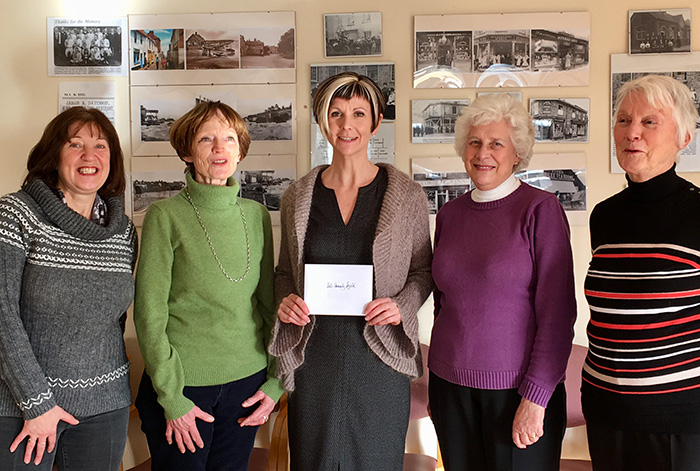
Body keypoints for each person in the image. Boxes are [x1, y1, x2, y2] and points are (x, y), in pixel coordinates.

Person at [269, 72, 433, 471]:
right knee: (314, 461)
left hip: (379, 360)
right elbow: (284, 274)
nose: (347, 125)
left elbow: (424, 271)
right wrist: (285, 301)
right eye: (336, 114)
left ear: (375, 122)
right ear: (323, 122)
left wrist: (401, 306)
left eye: (358, 113)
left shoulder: (406, 195)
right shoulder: (298, 195)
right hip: (315, 359)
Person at [429, 94, 577, 471]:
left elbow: (557, 315)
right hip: (450, 389)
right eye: (475, 142)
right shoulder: (449, 214)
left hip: (517, 396)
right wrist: (438, 380)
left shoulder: (540, 210)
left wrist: (536, 397)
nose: (484, 153)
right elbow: (444, 303)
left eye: (497, 143)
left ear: (517, 154)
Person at [134, 101, 283, 471]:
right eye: (206, 139)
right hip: (184, 386)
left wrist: (276, 381)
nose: (220, 148)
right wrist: (172, 398)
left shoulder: (256, 214)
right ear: (187, 151)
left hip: (247, 384)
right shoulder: (164, 216)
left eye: (229, 139)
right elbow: (149, 314)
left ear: (240, 149)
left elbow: (268, 304)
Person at [0, 107, 137, 470]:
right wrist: (37, 402)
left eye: (100, 146)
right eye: (75, 144)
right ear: (54, 155)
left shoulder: (123, 233)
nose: (89, 156)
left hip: (105, 405)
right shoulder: (15, 214)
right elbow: (2, 315)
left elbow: (114, 320)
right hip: (20, 408)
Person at [583, 75, 700, 471]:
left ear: (684, 137)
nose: (632, 132)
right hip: (604, 410)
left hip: (679, 419)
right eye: (623, 120)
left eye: (650, 122)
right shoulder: (604, 216)